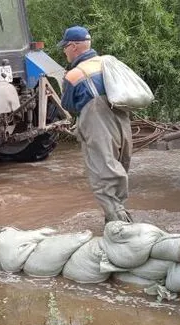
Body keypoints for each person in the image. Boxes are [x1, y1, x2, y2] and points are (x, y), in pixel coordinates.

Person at [58, 26, 133, 223]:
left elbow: (68, 104)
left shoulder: (74, 74)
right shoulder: (109, 62)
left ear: (73, 46)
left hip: (97, 123)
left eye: (64, 47)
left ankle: (120, 226)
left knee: (103, 174)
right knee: (118, 167)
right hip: (122, 121)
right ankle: (118, 214)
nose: (64, 51)